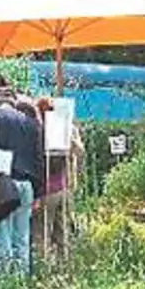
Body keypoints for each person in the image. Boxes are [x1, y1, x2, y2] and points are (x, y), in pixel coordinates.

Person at [0, 89, 40, 276]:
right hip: (27, 184)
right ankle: (22, 279)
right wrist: (39, 191)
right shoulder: (31, 123)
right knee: (22, 236)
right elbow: (38, 159)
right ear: (14, 102)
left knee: (1, 234)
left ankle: (4, 281)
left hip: (4, 184)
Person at [31, 96, 83, 260]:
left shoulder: (39, 130)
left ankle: (44, 270)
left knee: (42, 233)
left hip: (46, 190)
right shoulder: (61, 130)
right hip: (63, 187)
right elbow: (80, 151)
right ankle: (66, 268)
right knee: (63, 232)